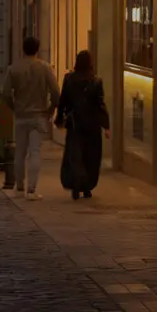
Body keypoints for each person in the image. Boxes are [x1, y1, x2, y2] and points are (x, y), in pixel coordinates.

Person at [1, 34, 59, 196]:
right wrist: (50, 110)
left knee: (20, 152)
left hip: (21, 115)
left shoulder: (14, 69)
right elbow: (55, 91)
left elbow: (5, 94)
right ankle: (32, 190)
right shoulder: (45, 68)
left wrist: (14, 108)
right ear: (37, 49)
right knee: (35, 152)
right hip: (39, 115)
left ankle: (19, 187)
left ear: (23, 49)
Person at [56, 48, 109, 200]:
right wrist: (106, 126)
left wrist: (59, 118)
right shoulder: (96, 81)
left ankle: (76, 181)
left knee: (75, 155)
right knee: (91, 156)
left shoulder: (69, 79)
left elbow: (63, 101)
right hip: (92, 125)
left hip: (75, 124)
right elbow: (100, 105)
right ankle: (86, 186)